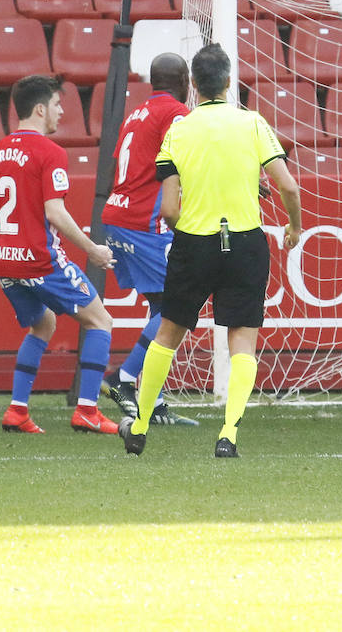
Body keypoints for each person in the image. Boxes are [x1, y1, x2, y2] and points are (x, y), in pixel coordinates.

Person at [118, 44, 302, 458]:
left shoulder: (179, 130)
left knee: (168, 333)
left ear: (194, 86)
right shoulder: (252, 123)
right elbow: (288, 187)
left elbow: (167, 208)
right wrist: (295, 226)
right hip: (245, 242)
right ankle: (229, 436)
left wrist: (187, 233)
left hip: (194, 242)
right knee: (242, 340)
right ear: (229, 81)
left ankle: (141, 426)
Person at [0, 75, 120, 436]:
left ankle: (17, 410)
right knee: (101, 322)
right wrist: (92, 250)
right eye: (57, 104)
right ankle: (87, 410)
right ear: (40, 108)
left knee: (44, 323)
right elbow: (54, 212)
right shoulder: (51, 152)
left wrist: (6, 235)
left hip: (5, 260)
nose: (61, 110)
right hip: (39, 260)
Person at [98, 52, 197, 427]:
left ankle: (149, 402)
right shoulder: (175, 114)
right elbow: (192, 160)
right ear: (185, 81)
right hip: (144, 221)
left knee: (162, 306)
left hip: (118, 215)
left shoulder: (135, 114)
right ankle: (122, 380)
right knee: (177, 308)